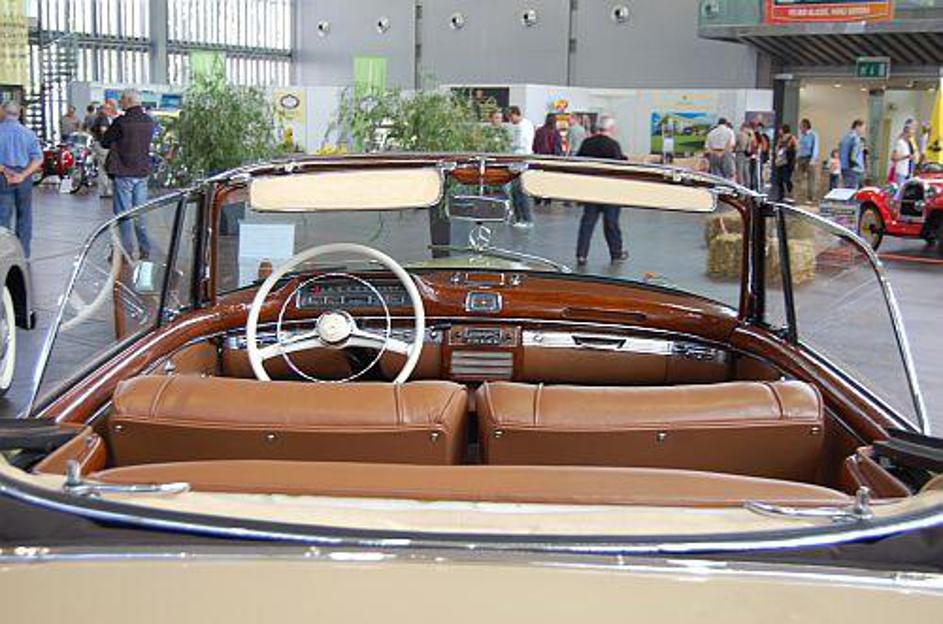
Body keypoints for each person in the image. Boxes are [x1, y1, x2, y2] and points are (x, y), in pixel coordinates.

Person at [100, 89, 155, 260]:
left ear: (129, 101)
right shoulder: (148, 121)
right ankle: (145, 248)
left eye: (122, 100)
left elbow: (105, 142)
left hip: (124, 171)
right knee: (140, 212)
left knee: (123, 214)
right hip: (142, 172)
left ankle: (126, 251)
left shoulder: (121, 122)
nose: (120, 103)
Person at [575, 115, 628, 266]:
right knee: (611, 223)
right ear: (611, 128)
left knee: (587, 222)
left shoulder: (587, 143)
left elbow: (578, 162)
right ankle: (616, 253)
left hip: (591, 188)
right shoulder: (613, 145)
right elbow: (618, 167)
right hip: (609, 189)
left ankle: (581, 254)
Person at [0, 102, 43, 256]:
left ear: (3, 112)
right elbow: (38, 158)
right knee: (25, 215)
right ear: (19, 114)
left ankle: (3, 253)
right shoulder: (29, 134)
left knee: (3, 216)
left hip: (3, 178)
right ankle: (23, 253)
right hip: (24, 178)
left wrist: (5, 171)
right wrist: (23, 175)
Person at [507, 106, 534, 228]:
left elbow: (520, 144)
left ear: (515, 114)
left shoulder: (521, 127)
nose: (510, 120)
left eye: (510, 117)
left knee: (520, 192)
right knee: (516, 191)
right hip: (520, 161)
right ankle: (519, 218)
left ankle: (526, 219)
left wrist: (508, 144)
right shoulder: (527, 124)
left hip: (520, 162)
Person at [796, 118, 820, 203]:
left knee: (811, 179)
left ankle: (810, 197)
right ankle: (798, 196)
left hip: (809, 158)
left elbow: (815, 148)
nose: (800, 128)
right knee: (798, 178)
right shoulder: (802, 135)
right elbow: (800, 147)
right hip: (801, 158)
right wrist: (797, 157)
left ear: (805, 126)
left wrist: (813, 160)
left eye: (801, 126)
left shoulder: (813, 135)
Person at [839, 119, 866, 189]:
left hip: (844, 168)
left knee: (848, 190)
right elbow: (853, 157)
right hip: (854, 170)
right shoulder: (856, 139)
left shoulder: (844, 138)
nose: (864, 131)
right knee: (854, 192)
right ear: (857, 127)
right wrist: (858, 165)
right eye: (863, 128)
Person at [890, 119, 918, 186]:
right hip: (901, 172)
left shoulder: (910, 143)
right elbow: (893, 157)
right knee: (901, 189)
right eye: (912, 130)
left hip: (910, 172)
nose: (914, 132)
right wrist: (907, 156)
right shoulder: (900, 142)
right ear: (907, 131)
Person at [774, 124, 798, 201]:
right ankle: (781, 195)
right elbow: (777, 149)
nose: (779, 131)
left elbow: (796, 148)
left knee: (786, 178)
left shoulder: (792, 138)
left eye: (780, 129)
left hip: (787, 161)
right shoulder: (780, 139)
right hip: (780, 161)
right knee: (779, 179)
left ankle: (790, 192)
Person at [734, 122, 755, 187]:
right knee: (746, 171)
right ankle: (748, 185)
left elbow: (736, 144)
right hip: (748, 154)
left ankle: (741, 186)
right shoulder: (751, 134)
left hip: (740, 153)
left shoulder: (740, 134)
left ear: (743, 127)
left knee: (740, 171)